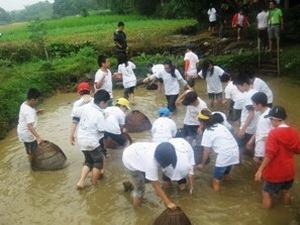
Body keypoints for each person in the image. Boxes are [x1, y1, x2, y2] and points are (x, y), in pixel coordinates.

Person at [122, 140, 194, 208]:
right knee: (140, 190)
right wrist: (168, 202)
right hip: (129, 159)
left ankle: (131, 184)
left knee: (149, 178)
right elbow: (156, 186)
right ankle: (137, 210)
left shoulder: (164, 148)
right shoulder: (151, 164)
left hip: (138, 152)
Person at [255, 106, 300, 209]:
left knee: (266, 193)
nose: (270, 121)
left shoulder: (273, 133)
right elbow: (298, 150)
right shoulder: (293, 131)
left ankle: (266, 217)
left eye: (271, 119)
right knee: (286, 191)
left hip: (276, 172)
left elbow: (269, 154)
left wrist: (260, 169)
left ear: (277, 119)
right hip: (289, 171)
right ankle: (287, 209)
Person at [72, 90, 110, 189]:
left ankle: (81, 182)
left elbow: (74, 112)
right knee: (98, 162)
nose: (107, 105)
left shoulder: (86, 106)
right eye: (107, 103)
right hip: (91, 140)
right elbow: (102, 130)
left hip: (81, 139)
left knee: (88, 161)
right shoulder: (99, 114)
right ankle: (94, 184)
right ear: (102, 103)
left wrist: (82, 101)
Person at [198, 109, 240, 191]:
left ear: (202, 122)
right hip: (235, 151)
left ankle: (217, 199)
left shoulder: (207, 132)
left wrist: (202, 164)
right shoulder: (220, 126)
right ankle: (230, 190)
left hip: (224, 155)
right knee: (226, 174)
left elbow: (206, 151)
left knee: (216, 180)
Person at [233, 73, 259, 150]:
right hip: (255, 128)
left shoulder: (248, 96)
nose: (238, 89)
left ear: (244, 84)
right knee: (252, 148)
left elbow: (251, 114)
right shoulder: (256, 92)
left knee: (239, 148)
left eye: (238, 87)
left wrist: (242, 129)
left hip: (248, 129)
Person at [17, 88, 43, 159]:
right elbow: (30, 126)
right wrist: (38, 137)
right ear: (32, 100)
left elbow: (26, 115)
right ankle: (34, 162)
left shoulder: (24, 104)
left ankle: (30, 157)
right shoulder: (29, 112)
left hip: (21, 131)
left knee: (29, 149)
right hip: (28, 133)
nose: (37, 102)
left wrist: (37, 112)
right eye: (37, 100)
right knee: (35, 151)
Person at [246, 92, 272, 162]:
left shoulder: (270, 115)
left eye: (254, 104)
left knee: (264, 166)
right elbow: (259, 129)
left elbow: (274, 133)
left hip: (266, 147)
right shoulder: (260, 113)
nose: (253, 106)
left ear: (259, 105)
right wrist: (251, 141)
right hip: (259, 145)